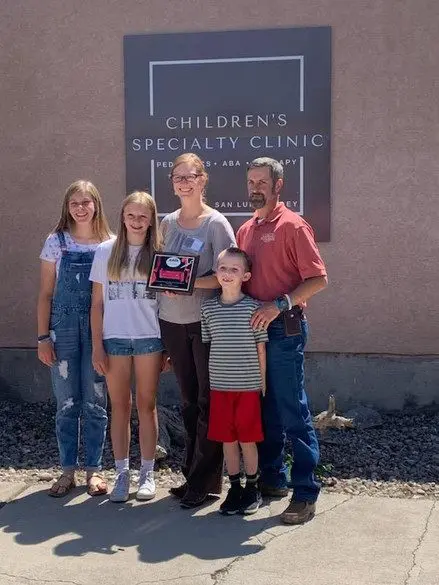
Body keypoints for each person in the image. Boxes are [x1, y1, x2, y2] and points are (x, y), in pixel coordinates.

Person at [236, 157, 328, 525]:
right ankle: (273, 479)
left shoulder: (293, 226)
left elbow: (318, 279)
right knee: (264, 410)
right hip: (254, 332)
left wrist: (279, 304)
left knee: (293, 411)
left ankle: (305, 493)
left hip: (284, 329)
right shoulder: (245, 230)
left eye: (262, 181)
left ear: (278, 185)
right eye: (250, 182)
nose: (254, 188)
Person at [159, 153, 236, 509]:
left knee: (207, 401)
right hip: (172, 322)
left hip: (206, 325)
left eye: (190, 176)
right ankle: (193, 473)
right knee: (189, 402)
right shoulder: (167, 223)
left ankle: (205, 481)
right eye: (178, 176)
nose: (183, 182)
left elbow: (227, 274)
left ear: (203, 180)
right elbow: (158, 268)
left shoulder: (216, 224)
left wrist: (189, 284)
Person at [37, 180, 112, 497]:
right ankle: (67, 471)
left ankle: (94, 471)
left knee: (95, 401)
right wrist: (43, 337)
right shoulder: (56, 242)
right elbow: (45, 295)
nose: (80, 208)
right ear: (67, 209)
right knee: (67, 403)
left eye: (86, 202)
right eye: (74, 204)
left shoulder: (110, 243)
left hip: (99, 331)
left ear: (96, 204)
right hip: (62, 330)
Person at [90, 191, 163, 503]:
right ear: (122, 217)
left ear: (151, 221)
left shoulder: (159, 253)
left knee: (146, 405)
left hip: (150, 338)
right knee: (120, 406)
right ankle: (122, 473)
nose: (136, 221)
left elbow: (167, 305)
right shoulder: (106, 251)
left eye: (142, 217)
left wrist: (169, 348)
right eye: (131, 215)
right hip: (114, 339)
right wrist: (97, 347)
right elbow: (96, 305)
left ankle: (147, 472)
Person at [201, 247, 268, 515]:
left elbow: (261, 349)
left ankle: (252, 487)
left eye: (234, 269)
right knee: (227, 441)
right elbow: (209, 346)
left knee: (247, 440)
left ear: (246, 275)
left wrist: (263, 386)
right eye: (223, 268)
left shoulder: (254, 309)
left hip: (248, 387)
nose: (227, 274)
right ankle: (235, 488)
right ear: (216, 272)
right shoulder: (208, 309)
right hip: (220, 387)